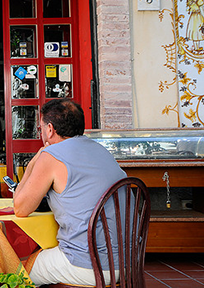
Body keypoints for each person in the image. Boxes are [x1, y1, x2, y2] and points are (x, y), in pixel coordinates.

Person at [13, 99, 127, 286]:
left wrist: (35, 160)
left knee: (13, 270)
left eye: (41, 129)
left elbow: (20, 208)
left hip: (88, 266)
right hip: (126, 262)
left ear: (50, 129)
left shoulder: (51, 155)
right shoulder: (101, 150)